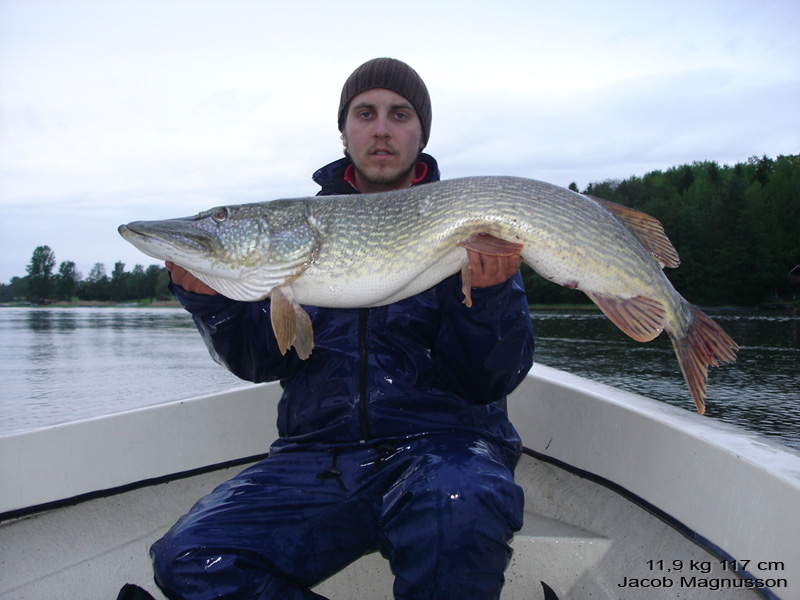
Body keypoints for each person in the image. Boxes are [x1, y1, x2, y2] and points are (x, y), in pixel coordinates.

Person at [149, 57, 535, 600]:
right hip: (316, 459)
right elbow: (260, 360)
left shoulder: (468, 225)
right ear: (345, 130)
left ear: (421, 133)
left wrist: (490, 297)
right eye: (365, 113)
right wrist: (211, 302)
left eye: (400, 114)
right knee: (188, 560)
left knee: (462, 501)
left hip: (443, 449)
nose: (381, 129)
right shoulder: (294, 234)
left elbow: (487, 380)